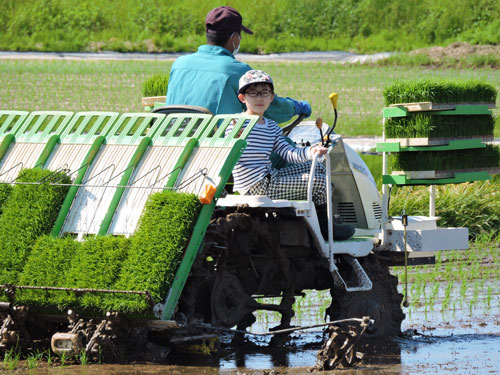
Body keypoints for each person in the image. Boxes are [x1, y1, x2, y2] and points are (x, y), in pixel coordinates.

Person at [227, 70, 354, 241]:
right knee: (320, 183)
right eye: (253, 93)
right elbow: (229, 149)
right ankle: (325, 229)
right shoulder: (237, 123)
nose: (259, 98)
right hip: (256, 184)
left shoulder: (271, 126)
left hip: (269, 177)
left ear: (271, 97)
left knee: (316, 167)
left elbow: (288, 153)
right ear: (242, 98)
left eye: (264, 93)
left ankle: (319, 219)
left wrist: (312, 151)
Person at [165, 6, 311, 123]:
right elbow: (269, 108)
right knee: (289, 151)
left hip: (174, 143)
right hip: (219, 148)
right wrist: (296, 107)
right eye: (240, 35)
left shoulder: (179, 64)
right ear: (234, 37)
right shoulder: (237, 70)